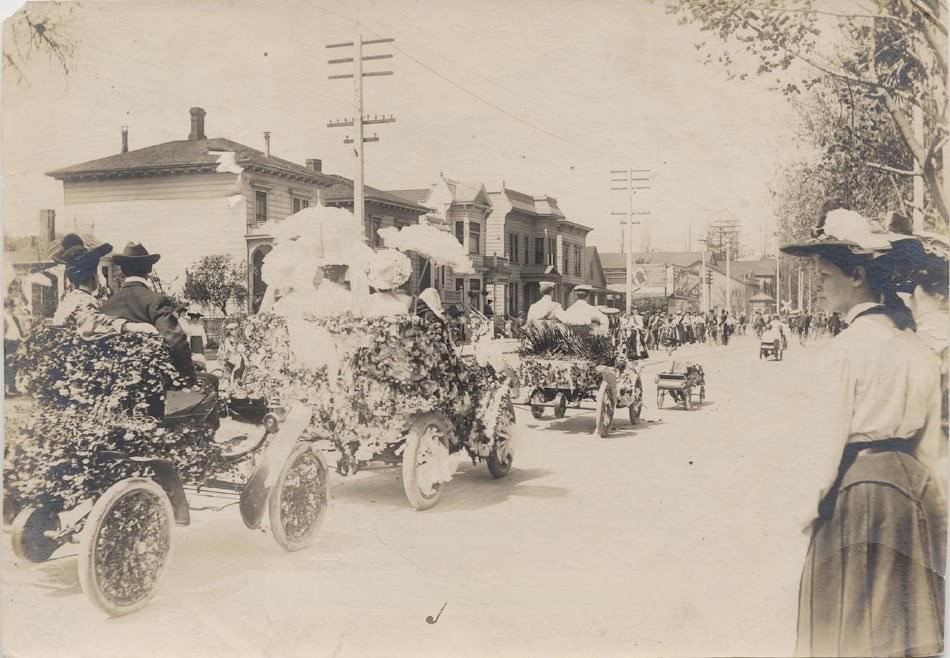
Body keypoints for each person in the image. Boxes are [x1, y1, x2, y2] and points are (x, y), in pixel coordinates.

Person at [782, 207, 945, 657]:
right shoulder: (918, 351)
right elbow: (931, 449)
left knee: (850, 631)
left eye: (825, 273)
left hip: (857, 501)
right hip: (911, 500)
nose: (818, 283)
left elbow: (823, 449)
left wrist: (804, 514)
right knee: (897, 630)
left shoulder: (843, 352)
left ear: (857, 276)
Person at [101, 242, 196, 383]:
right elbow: (175, 342)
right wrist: (188, 378)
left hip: (115, 381)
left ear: (123, 270)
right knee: (211, 381)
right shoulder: (156, 300)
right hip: (152, 381)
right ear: (149, 269)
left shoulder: (107, 305)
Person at [49, 235, 157, 340]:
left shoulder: (68, 299)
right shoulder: (82, 301)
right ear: (94, 274)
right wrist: (131, 327)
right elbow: (93, 323)